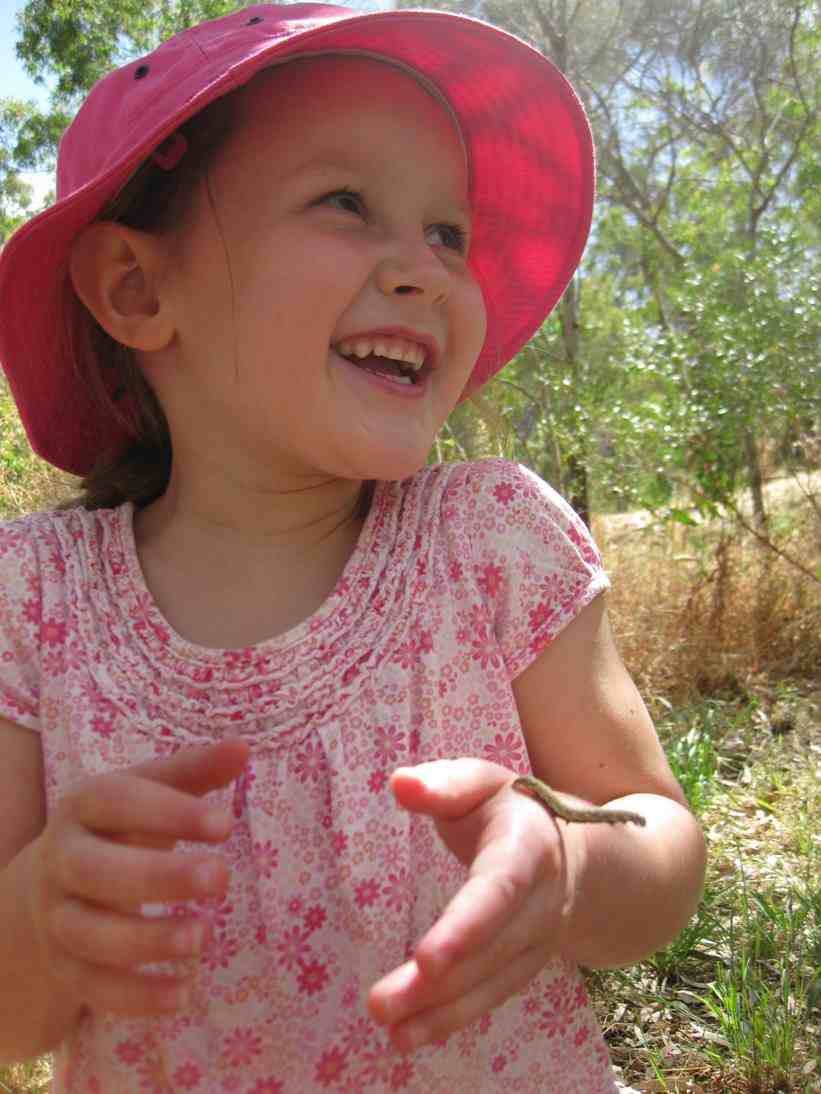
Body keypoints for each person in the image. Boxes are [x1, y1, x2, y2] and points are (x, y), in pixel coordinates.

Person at [0, 4, 706, 1091]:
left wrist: (571, 865)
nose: (422, 268)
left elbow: (658, 839)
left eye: (447, 233)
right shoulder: (32, 604)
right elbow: (15, 1018)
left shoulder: (488, 542)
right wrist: (44, 911)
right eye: (346, 203)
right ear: (138, 289)